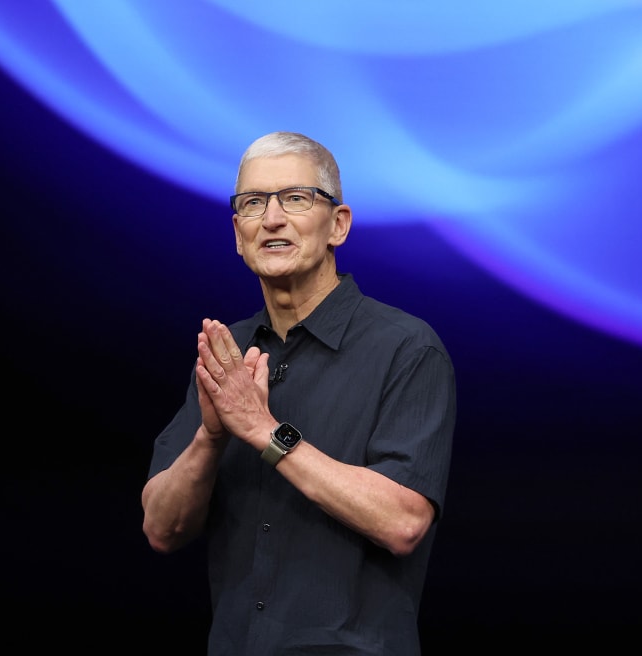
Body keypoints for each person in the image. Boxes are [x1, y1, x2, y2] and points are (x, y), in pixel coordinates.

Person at [141, 131, 456, 655]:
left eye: (295, 198)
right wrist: (212, 438)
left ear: (338, 224)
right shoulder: (228, 354)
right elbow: (160, 528)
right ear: (238, 234)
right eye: (253, 203)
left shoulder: (406, 347)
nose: (272, 218)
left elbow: (403, 522)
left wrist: (265, 432)